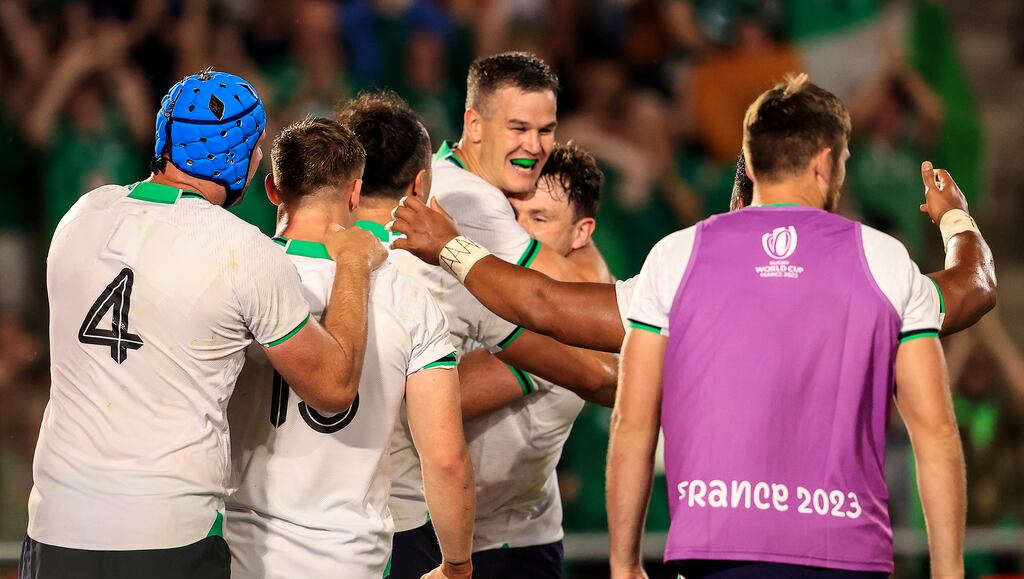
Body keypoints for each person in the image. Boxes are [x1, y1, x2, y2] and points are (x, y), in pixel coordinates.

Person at [19, 70, 385, 579]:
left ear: (164, 137)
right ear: (247, 159)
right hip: (168, 533)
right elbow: (333, 386)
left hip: (59, 523)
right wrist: (352, 266)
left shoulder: (80, 216)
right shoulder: (244, 251)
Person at [606, 73, 974, 579]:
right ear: (826, 162)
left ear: (750, 164)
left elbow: (634, 419)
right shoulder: (885, 260)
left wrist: (625, 560)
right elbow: (935, 430)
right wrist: (947, 575)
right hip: (848, 563)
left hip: (729, 550)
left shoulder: (676, 256)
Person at [338, 89, 615, 579]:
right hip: (416, 537)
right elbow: (432, 430)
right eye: (508, 223)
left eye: (536, 224)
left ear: (582, 234)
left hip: (504, 542)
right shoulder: (437, 285)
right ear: (421, 185)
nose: (512, 240)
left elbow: (600, 375)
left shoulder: (279, 271)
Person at [224, 117, 475, 579]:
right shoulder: (407, 293)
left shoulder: (232, 273)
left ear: (272, 189)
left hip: (239, 566)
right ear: (356, 191)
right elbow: (445, 458)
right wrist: (456, 568)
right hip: (344, 577)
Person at [389, 147, 995, 349]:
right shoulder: (869, 276)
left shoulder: (691, 273)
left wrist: (452, 246)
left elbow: (546, 305)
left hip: (726, 549)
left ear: (733, 206)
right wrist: (955, 220)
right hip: (840, 553)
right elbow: (973, 289)